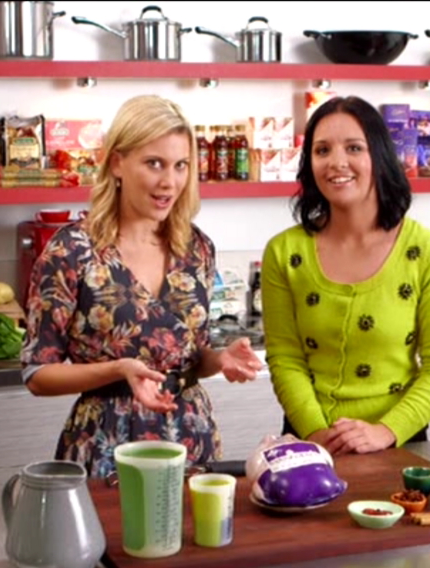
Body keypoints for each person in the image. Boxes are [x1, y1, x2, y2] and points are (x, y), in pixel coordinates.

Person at [21, 94, 264, 478]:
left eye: (181, 165)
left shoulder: (195, 248)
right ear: (117, 163)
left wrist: (220, 359)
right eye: (154, 163)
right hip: (107, 444)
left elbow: (191, 357)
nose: (169, 182)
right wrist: (120, 369)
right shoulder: (72, 251)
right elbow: (37, 374)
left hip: (191, 437)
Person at [261, 95, 430, 456]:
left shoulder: (427, 253)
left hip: (398, 445)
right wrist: (317, 433)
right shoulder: (284, 253)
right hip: (308, 443)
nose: (337, 162)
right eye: (322, 150)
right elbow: (285, 357)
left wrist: (385, 432)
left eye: (354, 147)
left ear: (380, 157)